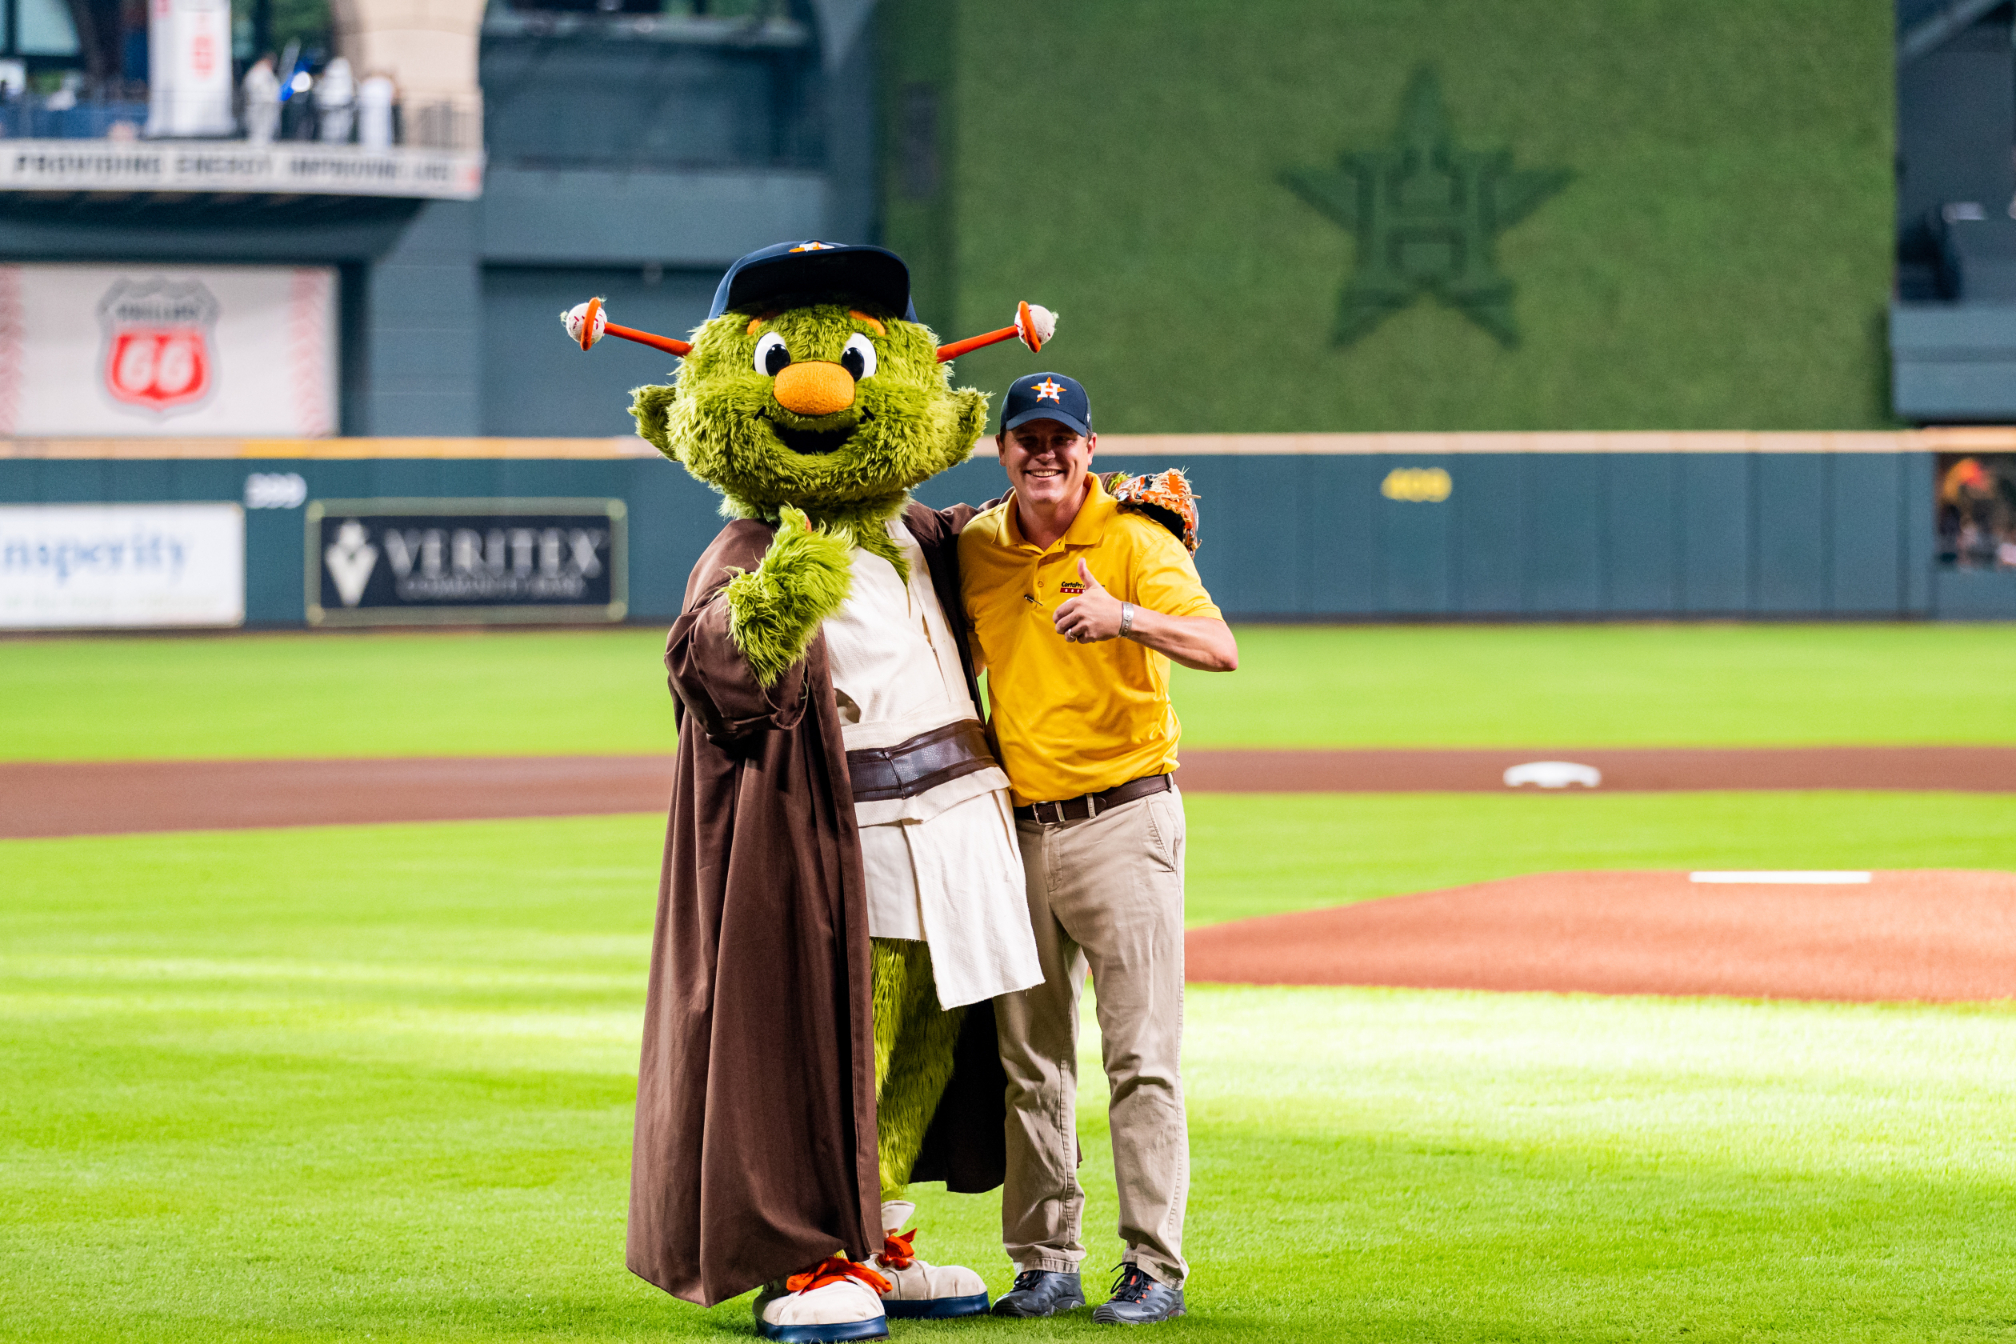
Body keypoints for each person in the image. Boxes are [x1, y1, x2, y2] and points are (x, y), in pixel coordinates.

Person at [957, 372, 1238, 1326]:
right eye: (1026, 438)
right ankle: (1046, 1262)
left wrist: (1127, 617)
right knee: (1030, 1063)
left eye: (1060, 438)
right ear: (1002, 452)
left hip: (1126, 821)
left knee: (1140, 1057)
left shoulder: (1131, 535)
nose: (1044, 453)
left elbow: (1218, 644)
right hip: (1020, 834)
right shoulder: (978, 551)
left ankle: (1154, 1269)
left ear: (1089, 447)